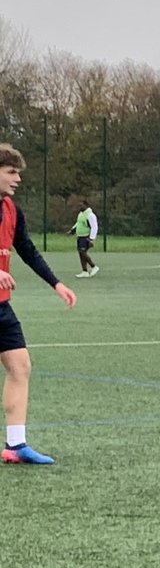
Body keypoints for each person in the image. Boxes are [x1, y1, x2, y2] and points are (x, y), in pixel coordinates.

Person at [0, 144, 77, 465]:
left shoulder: (11, 210)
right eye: (11, 172)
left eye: (18, 173)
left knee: (20, 367)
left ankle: (15, 446)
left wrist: (56, 283)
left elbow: (27, 250)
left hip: (1, 307)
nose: (17, 179)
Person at [68, 198, 99, 278]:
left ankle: (93, 266)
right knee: (80, 253)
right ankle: (84, 271)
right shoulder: (81, 214)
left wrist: (91, 239)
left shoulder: (90, 215)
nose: (79, 207)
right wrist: (72, 230)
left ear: (86, 205)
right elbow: (78, 223)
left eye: (81, 205)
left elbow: (94, 227)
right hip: (80, 236)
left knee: (82, 252)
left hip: (86, 237)